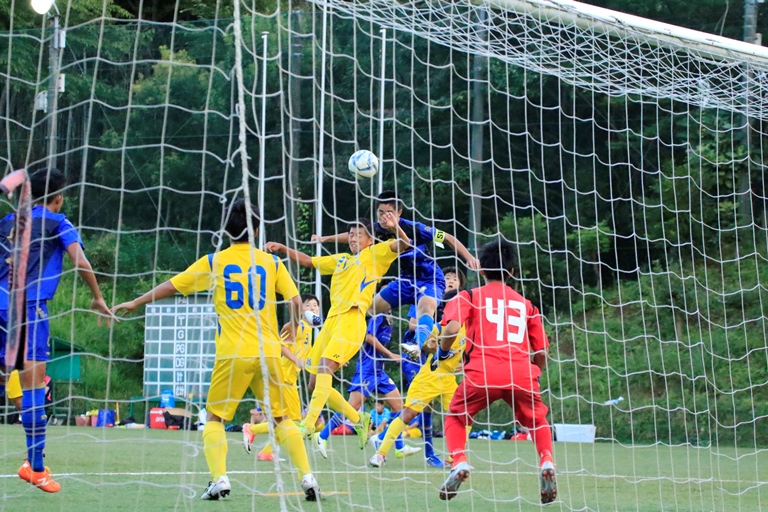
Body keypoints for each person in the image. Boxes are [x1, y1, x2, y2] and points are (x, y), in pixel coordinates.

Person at [112, 199, 320, 502]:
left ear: (225, 231)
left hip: (233, 353)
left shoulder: (214, 262)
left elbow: (172, 286)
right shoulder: (272, 263)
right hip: (269, 353)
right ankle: (307, 476)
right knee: (282, 418)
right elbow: (296, 300)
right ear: (257, 230)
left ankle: (220, 479)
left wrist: (136, 301)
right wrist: (294, 322)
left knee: (214, 418)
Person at [0, 168, 114, 493]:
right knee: (33, 387)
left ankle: (35, 465)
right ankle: (35, 467)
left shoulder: (7, 221)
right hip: (28, 308)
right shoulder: (59, 222)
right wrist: (98, 297)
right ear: (59, 197)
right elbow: (81, 262)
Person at [265, 214, 410, 450]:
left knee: (325, 369)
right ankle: (358, 419)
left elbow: (405, 244)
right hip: (331, 322)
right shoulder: (341, 260)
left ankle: (308, 424)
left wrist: (396, 228)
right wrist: (283, 248)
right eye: (351, 235)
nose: (353, 238)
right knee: (314, 383)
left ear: (370, 240)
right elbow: (308, 261)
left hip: (352, 319)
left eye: (359, 235)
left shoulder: (377, 254)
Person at [435, 240, 556, 504]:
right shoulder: (526, 305)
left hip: (482, 372)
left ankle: (459, 461)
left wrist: (443, 351)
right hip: (520, 373)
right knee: (537, 420)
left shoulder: (468, 296)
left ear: (481, 270)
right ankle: (546, 460)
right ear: (512, 272)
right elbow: (541, 351)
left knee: (456, 416)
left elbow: (452, 328)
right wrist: (535, 371)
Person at [313, 191, 479, 353]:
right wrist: (325, 239)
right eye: (380, 213)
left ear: (399, 212)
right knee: (367, 308)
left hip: (429, 279)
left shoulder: (416, 228)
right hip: (404, 281)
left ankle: (416, 344)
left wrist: (469, 257)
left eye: (389, 213)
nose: (384, 217)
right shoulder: (377, 230)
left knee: (426, 307)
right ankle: (332, 328)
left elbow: (448, 238)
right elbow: (354, 235)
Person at [369, 289, 464, 468]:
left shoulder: (467, 328)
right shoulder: (438, 327)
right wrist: (429, 346)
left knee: (462, 416)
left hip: (449, 380)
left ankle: (455, 459)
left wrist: (464, 365)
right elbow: (423, 345)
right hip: (429, 377)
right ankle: (380, 454)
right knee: (409, 414)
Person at [312, 306, 419, 460]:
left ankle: (396, 446)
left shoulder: (389, 319)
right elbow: (368, 337)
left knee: (398, 406)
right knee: (352, 407)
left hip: (379, 372)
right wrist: (390, 354)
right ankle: (322, 436)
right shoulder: (378, 315)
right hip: (367, 370)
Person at [398, 266, 466, 466]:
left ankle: (427, 452)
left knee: (429, 406)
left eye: (455, 278)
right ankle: (389, 442)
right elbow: (413, 324)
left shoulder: (461, 307)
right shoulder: (428, 296)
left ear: (460, 285)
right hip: (416, 357)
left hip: (438, 362)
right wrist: (435, 333)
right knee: (417, 407)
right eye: (447, 277)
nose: (450, 280)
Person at [242, 293, 320, 461]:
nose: (313, 308)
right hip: (282, 376)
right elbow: (280, 345)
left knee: (288, 421)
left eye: (315, 305)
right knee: (294, 421)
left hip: (290, 379)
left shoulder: (309, 330)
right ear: (300, 310)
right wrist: (295, 359)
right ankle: (252, 430)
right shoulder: (297, 326)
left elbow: (310, 356)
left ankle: (266, 452)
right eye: (308, 305)